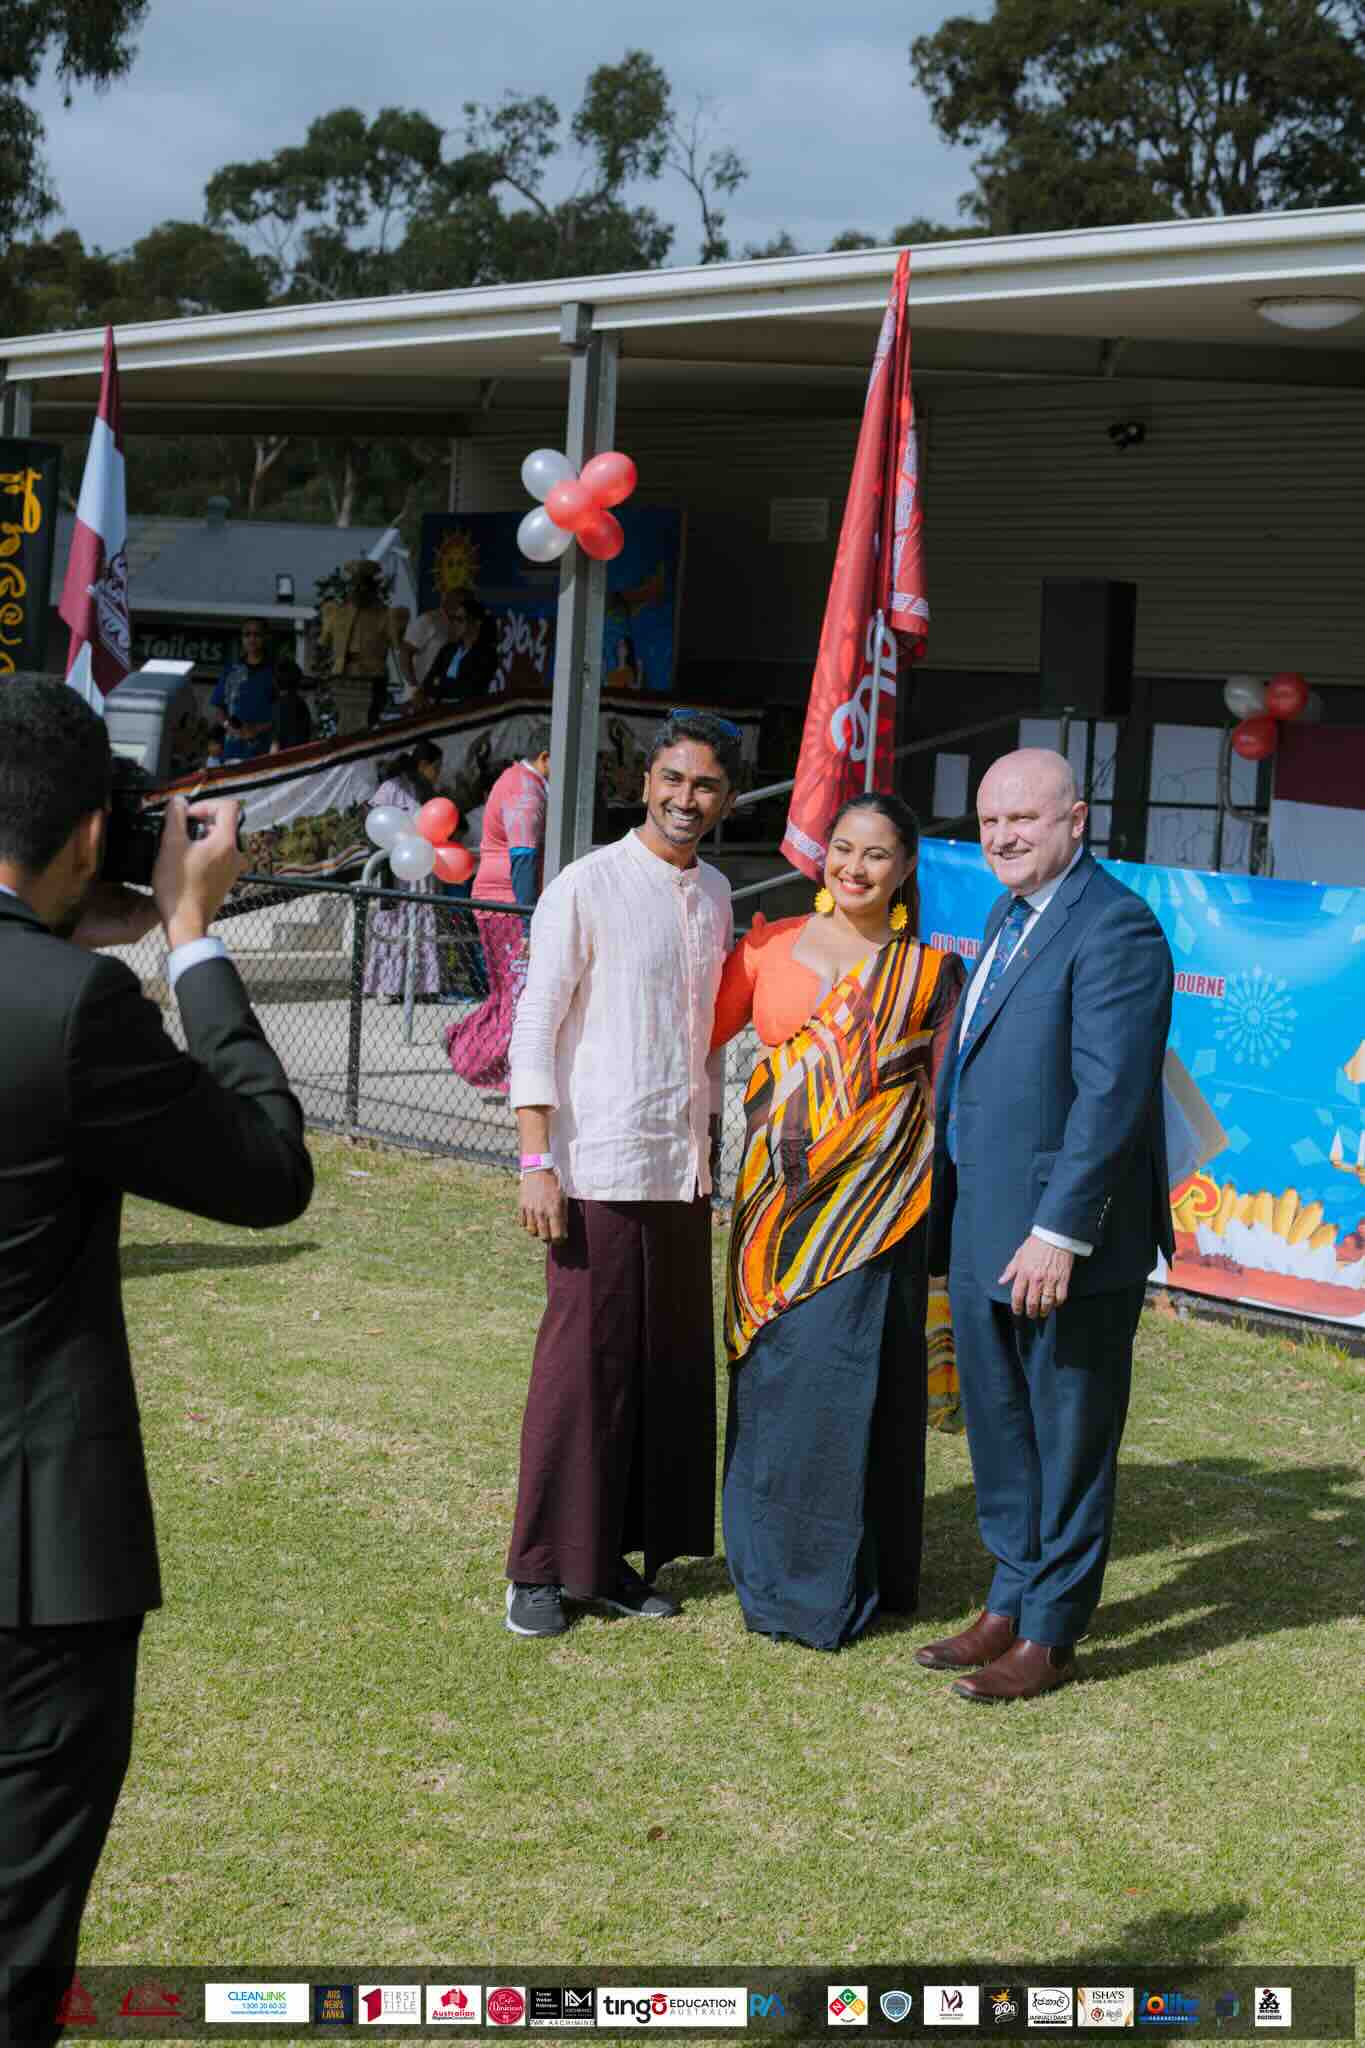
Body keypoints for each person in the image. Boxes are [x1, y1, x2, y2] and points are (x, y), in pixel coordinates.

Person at [0, 680, 313, 2047]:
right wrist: (190, 935)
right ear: (91, 835)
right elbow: (266, 1168)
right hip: (35, 1569)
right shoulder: (75, 1007)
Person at [919, 748, 1173, 1702]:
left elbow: (1111, 1097)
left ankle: (1051, 1634)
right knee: (999, 1428)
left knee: (1066, 1440)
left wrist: (1059, 1232)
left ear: (1075, 819)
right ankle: (1008, 1600)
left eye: (1022, 818)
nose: (1002, 836)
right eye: (989, 821)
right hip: (984, 1223)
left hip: (1062, 1243)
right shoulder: (1006, 914)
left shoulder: (1115, 926)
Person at [503, 712, 738, 1638]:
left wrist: (707, 1152)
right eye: (672, 779)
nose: (686, 799)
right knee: (580, 1375)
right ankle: (538, 1569)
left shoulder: (715, 894)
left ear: (725, 799)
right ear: (645, 783)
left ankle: (613, 1562)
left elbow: (706, 1039)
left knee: (658, 1373)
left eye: (705, 785)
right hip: (594, 1166)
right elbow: (535, 1021)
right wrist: (536, 1160)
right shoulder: (586, 884)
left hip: (677, 1173)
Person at [711, 793, 965, 1651]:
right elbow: (690, 1039)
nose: (855, 867)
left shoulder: (927, 973)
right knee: (780, 1381)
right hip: (777, 1213)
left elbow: (948, 1097)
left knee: (858, 1381)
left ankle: (859, 1576)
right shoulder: (768, 947)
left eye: (876, 854)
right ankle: (776, 1576)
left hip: (880, 1214)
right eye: (843, 848)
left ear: (904, 869)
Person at [445, 727, 550, 1095]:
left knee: (510, 995)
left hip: (501, 903)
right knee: (519, 995)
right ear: (546, 757)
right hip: (507, 905)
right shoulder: (525, 791)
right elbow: (523, 858)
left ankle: (467, 1045)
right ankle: (474, 1055)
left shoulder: (516, 781)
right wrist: (529, 926)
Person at [363, 740, 446, 1003]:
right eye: (436, 768)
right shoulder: (391, 788)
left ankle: (421, 987)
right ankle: (387, 985)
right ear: (423, 765)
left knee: (421, 924)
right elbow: (375, 823)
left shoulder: (429, 792)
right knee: (394, 926)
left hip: (421, 872)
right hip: (396, 873)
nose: (438, 773)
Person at [316, 560, 404, 729]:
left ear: (373, 588)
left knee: (366, 725)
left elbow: (397, 645)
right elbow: (323, 642)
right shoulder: (336, 612)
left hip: (372, 677)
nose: (357, 590)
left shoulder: (386, 615)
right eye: (354, 585)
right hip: (342, 678)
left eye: (363, 585)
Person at [210, 618, 276, 761]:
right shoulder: (231, 671)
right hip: (232, 751)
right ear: (242, 638)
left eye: (257, 634)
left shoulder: (274, 672)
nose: (252, 639)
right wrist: (229, 727)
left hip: (264, 751)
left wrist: (256, 729)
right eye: (247, 634)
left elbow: (281, 713)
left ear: (266, 637)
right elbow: (219, 708)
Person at [424, 591, 500, 706]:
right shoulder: (447, 650)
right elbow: (427, 683)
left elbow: (470, 690)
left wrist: (440, 682)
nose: (455, 623)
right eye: (453, 619)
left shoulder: (488, 654)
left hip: (468, 711)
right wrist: (447, 684)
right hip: (440, 709)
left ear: (477, 623)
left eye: (460, 619)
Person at [400, 585, 472, 699]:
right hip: (419, 697)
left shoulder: (462, 626)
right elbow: (404, 653)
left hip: (445, 696)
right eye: (464, 602)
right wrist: (414, 688)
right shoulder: (428, 620)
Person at [271, 656, 313, 752]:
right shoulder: (301, 704)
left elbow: (275, 744)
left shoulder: (280, 706)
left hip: (286, 757)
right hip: (301, 754)